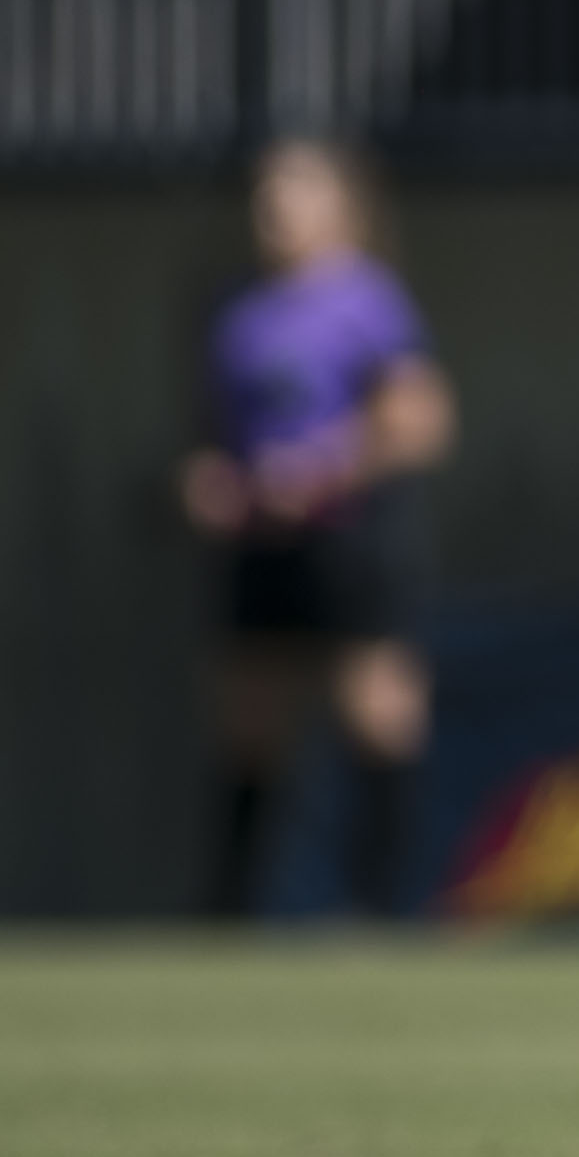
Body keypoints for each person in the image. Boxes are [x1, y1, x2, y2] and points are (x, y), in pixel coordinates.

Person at [184, 139, 457, 917]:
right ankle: (227, 910)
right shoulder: (236, 309)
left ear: (339, 206)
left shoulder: (368, 302)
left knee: (378, 713)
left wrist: (322, 471)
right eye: (266, 193)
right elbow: (217, 434)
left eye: (295, 192)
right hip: (262, 543)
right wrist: (209, 484)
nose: (274, 210)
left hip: (352, 538)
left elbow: (422, 421)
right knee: (249, 723)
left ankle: (381, 907)